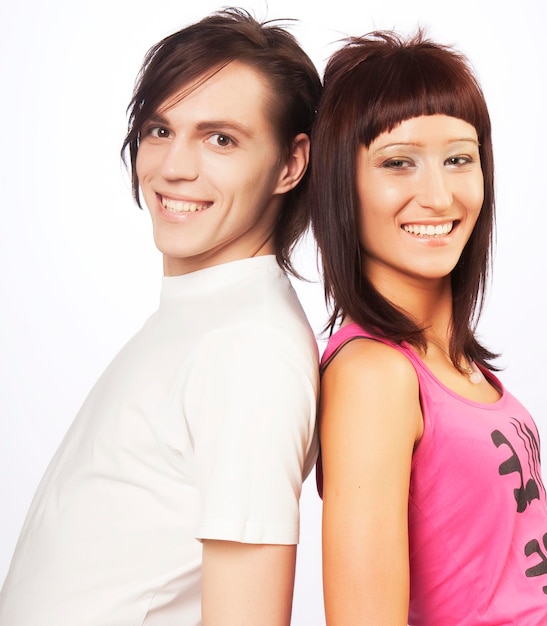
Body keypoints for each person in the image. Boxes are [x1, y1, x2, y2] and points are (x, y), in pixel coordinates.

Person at [0, 8, 321, 626]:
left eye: (220, 138)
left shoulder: (249, 348)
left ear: (289, 164)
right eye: (158, 129)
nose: (173, 167)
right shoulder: (206, 317)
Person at [308, 30, 547, 625]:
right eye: (397, 162)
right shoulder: (373, 376)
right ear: (340, 184)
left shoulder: (455, 363)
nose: (438, 195)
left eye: (459, 159)